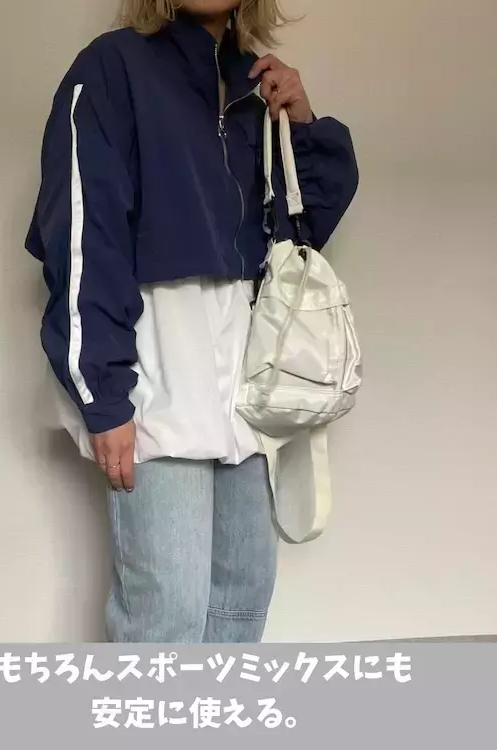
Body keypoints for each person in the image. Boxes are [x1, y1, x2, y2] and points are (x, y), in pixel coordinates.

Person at [25, 0, 359, 643]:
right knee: (166, 616)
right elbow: (82, 233)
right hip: (156, 363)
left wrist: (300, 120)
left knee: (241, 603)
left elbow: (300, 236)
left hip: (249, 377)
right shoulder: (112, 68)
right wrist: (103, 392)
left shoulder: (255, 84)